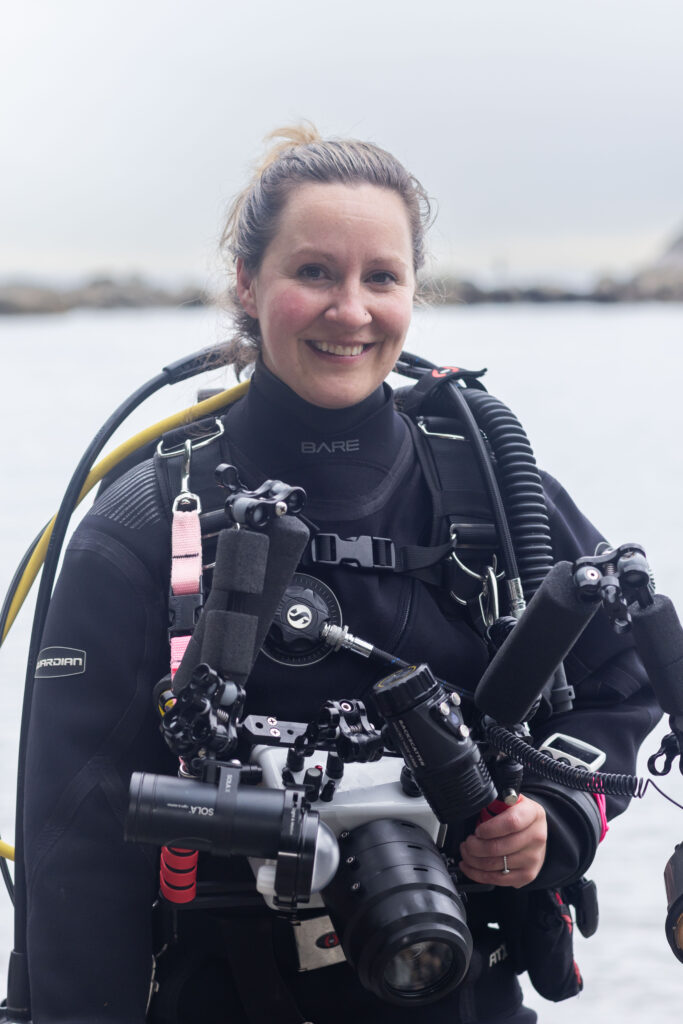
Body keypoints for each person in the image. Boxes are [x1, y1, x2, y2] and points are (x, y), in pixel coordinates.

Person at [22, 124, 660, 1024]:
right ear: (249, 283)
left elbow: (623, 681)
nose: (350, 310)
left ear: (412, 291)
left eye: (381, 278)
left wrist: (556, 816)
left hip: (462, 991)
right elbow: (70, 844)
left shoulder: (489, 488)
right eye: (314, 272)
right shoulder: (147, 520)